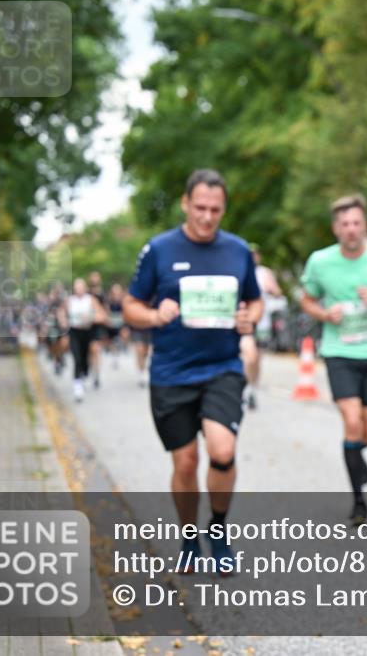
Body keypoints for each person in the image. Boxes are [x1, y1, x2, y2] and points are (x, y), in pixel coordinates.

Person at [123, 169, 262, 573]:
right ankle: (188, 538)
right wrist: (153, 314)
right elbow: (132, 305)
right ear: (185, 203)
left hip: (222, 367)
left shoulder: (237, 251)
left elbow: (254, 302)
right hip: (171, 370)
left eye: (215, 210)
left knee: (223, 451)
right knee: (184, 462)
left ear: (224, 209)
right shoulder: (159, 250)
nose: (206, 216)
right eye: (199, 207)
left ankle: (217, 533)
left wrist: (247, 318)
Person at [299, 194, 367, 526]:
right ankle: (358, 502)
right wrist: (323, 313)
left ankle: (358, 457)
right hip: (339, 352)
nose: (351, 229)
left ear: (365, 226)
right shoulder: (319, 262)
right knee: (352, 422)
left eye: (356, 223)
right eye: (344, 224)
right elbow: (307, 299)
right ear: (336, 229)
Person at [239, 243, 285, 410]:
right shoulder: (239, 269)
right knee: (247, 356)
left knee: (257, 358)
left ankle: (252, 389)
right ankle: (242, 388)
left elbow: (278, 292)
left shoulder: (265, 273)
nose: (253, 257)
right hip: (245, 322)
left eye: (255, 254)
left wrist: (271, 290)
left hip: (262, 323)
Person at [66, 278, 105, 402]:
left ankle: (87, 373)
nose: (79, 290)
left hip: (88, 331)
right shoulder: (69, 301)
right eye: (76, 287)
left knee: (86, 357)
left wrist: (90, 317)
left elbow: (102, 315)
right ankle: (78, 387)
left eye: (81, 287)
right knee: (76, 357)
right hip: (74, 332)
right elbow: (62, 314)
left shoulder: (91, 300)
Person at [87, 271, 109, 389]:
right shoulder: (87, 293)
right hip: (86, 325)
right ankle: (91, 368)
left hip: (98, 325)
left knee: (96, 349)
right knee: (90, 350)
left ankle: (97, 374)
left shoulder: (102, 294)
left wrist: (104, 318)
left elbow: (106, 309)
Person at [107, 284, 127, 369]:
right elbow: (107, 311)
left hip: (121, 323)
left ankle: (121, 348)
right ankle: (114, 356)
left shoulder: (123, 301)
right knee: (112, 341)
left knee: (121, 337)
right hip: (111, 323)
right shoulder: (109, 301)